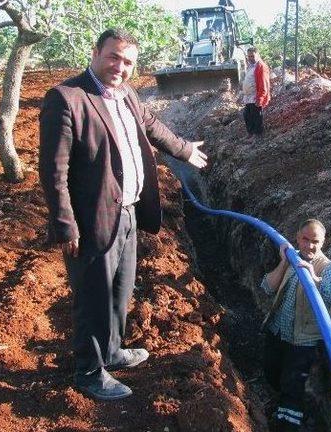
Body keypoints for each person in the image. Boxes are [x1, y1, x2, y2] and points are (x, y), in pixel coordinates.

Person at [39, 28, 208, 401]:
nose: (120, 67)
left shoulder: (127, 94)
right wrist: (66, 226)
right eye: (113, 56)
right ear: (96, 52)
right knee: (93, 296)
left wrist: (183, 150)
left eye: (128, 61)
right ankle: (89, 371)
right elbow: (54, 173)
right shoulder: (67, 98)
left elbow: (151, 125)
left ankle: (113, 351)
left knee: (121, 290)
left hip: (128, 212)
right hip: (91, 219)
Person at [260, 219, 331, 431]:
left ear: (323, 242)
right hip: (277, 331)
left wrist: (314, 279)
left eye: (315, 241)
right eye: (305, 239)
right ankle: (278, 406)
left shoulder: (326, 268)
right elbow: (267, 287)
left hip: (302, 341)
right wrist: (284, 262)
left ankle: (287, 423)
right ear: (297, 237)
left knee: (293, 385)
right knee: (271, 371)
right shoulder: (292, 258)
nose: (309, 245)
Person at [241, 46, 271, 136]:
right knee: (247, 116)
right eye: (249, 56)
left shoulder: (261, 66)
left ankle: (258, 136)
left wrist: (260, 98)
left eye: (252, 56)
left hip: (255, 96)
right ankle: (251, 135)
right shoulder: (250, 66)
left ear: (257, 55)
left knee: (256, 117)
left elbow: (263, 83)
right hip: (249, 97)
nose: (250, 58)